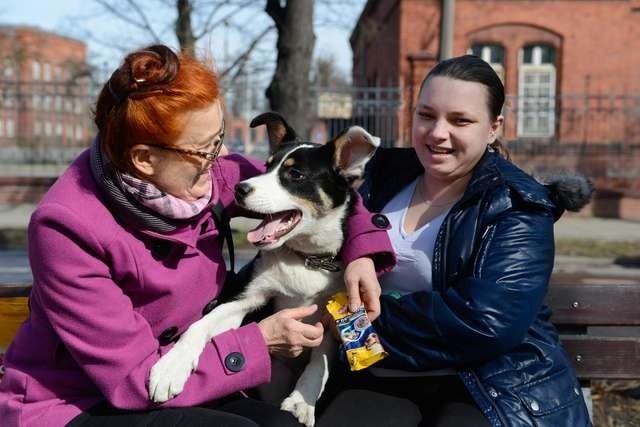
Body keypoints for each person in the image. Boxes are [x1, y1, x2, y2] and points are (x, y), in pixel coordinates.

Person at [0, 44, 394, 427]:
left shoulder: (199, 174)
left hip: (189, 373)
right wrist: (260, 342)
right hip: (81, 401)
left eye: (218, 140)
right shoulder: (67, 227)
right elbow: (132, 381)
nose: (219, 161)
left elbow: (324, 194)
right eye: (205, 150)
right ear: (144, 159)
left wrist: (362, 252)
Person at [318, 55, 592, 426]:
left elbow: (486, 322)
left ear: (493, 127)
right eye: (426, 115)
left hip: (490, 384)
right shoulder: (378, 174)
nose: (437, 133)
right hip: (380, 374)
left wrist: (352, 326)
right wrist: (359, 251)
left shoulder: (518, 203)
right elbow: (320, 227)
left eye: (460, 120)